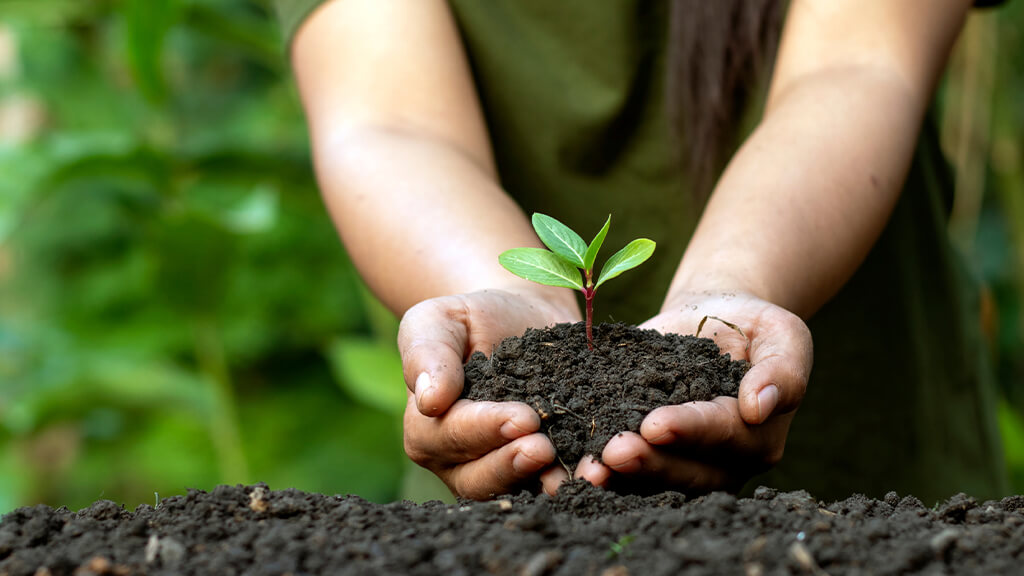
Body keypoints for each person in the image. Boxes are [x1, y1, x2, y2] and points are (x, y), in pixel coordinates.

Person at [276, 0, 1010, 502]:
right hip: (516, 500)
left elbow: (860, 64)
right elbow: (389, 121)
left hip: (871, 486)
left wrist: (731, 286)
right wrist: (496, 295)